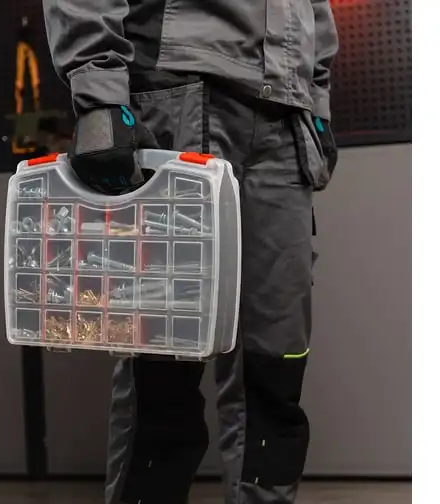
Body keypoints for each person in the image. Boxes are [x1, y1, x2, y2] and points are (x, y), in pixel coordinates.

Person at [43, 1, 339, 503]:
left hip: (286, 110)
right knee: (162, 380)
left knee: (276, 370)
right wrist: (97, 89)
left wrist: (317, 96)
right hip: (181, 88)